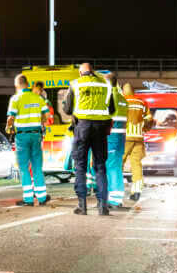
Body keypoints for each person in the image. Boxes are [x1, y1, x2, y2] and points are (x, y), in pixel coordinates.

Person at [62, 62, 115, 216]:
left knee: (80, 166)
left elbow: (67, 109)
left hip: (82, 128)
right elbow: (111, 109)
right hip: (100, 129)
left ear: (80, 73)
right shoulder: (105, 85)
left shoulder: (75, 84)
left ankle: (82, 205)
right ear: (93, 72)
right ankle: (102, 206)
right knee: (100, 166)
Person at [7, 74, 51, 206]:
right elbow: (47, 116)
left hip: (22, 137)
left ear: (17, 85)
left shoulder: (15, 99)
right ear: (27, 84)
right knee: (37, 166)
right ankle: (42, 198)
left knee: (24, 168)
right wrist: (39, 121)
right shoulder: (38, 98)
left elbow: (11, 118)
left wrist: (8, 127)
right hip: (36, 134)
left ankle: (28, 199)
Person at [122, 82, 152, 201]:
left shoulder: (122, 101)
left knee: (119, 163)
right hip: (138, 137)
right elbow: (149, 119)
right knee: (136, 164)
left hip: (125, 137)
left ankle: (116, 190)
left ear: (124, 92)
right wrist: (143, 128)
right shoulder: (142, 102)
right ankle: (137, 191)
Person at [105, 73, 129, 208]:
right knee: (116, 168)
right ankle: (117, 197)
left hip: (111, 138)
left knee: (111, 168)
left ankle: (113, 199)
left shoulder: (108, 99)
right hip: (121, 138)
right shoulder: (122, 99)